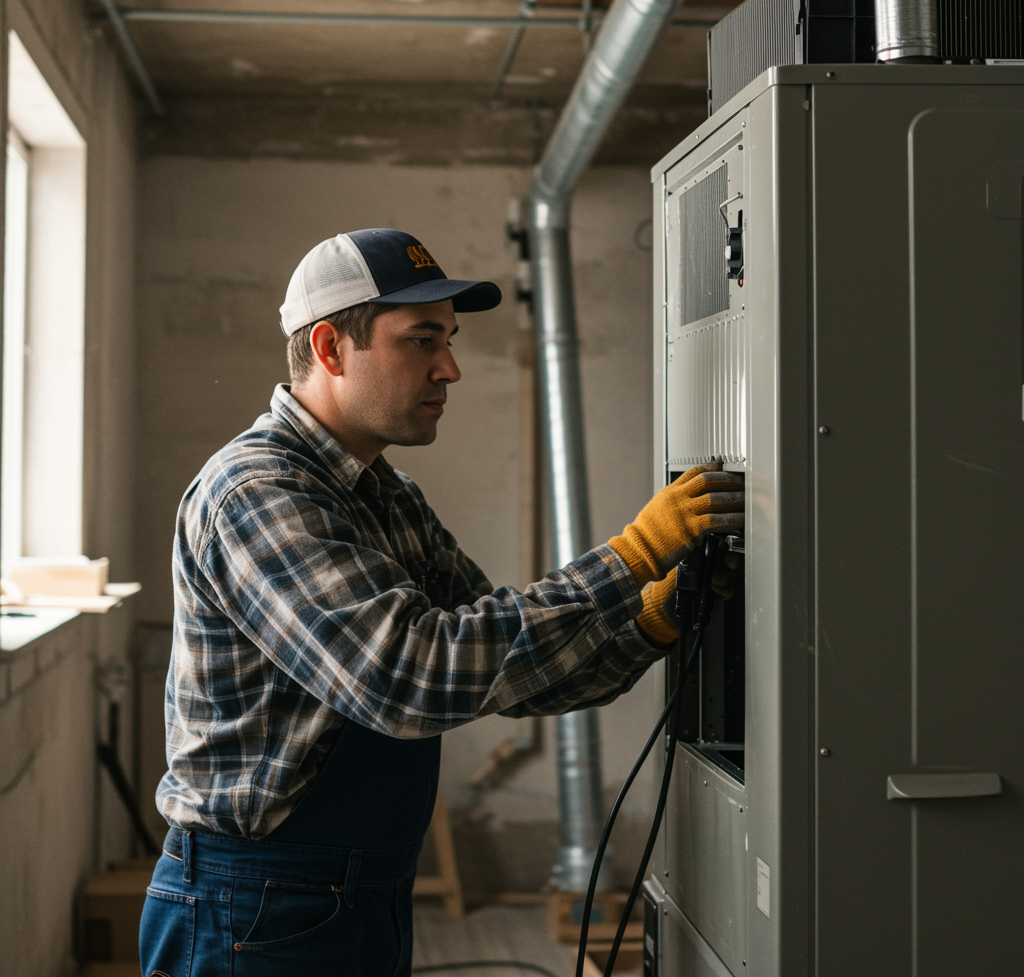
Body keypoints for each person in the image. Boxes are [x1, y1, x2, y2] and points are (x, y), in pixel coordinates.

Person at [140, 228, 744, 976]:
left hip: (362, 894)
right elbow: (408, 674)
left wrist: (656, 619)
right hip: (253, 904)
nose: (450, 368)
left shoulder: (388, 499)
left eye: (449, 339)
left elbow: (504, 666)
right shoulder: (258, 493)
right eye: (422, 339)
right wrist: (630, 557)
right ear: (330, 349)